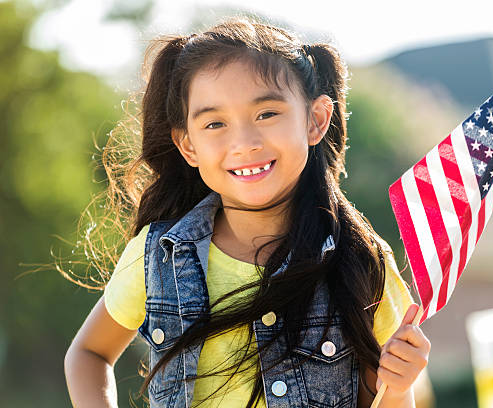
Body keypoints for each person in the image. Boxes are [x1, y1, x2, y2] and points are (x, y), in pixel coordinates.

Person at [63, 16, 432, 408]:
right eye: (215, 123)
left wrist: (400, 383)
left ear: (315, 119)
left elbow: (384, 399)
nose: (243, 142)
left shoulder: (360, 261)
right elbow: (88, 354)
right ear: (188, 146)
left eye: (266, 114)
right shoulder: (158, 255)